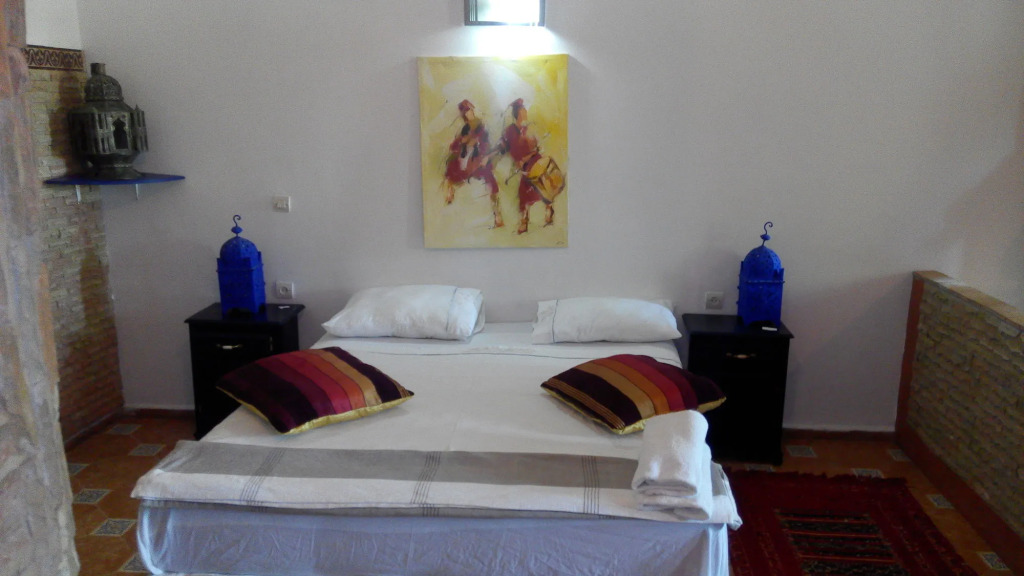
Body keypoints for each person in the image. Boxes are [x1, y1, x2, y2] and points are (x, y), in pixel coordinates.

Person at [494, 98, 564, 234]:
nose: (525, 114)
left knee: (543, 185)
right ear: (517, 114)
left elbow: (536, 148)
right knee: (525, 192)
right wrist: (497, 152)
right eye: (523, 112)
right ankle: (524, 220)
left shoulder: (529, 129)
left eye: (525, 111)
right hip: (524, 167)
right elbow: (503, 145)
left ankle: (548, 209)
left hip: (534, 161)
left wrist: (531, 153)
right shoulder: (510, 131)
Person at [442, 99, 503, 228]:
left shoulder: (481, 127)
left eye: (470, 110)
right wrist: (462, 142)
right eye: (467, 112)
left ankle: (497, 216)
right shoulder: (465, 129)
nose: (470, 113)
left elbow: (486, 144)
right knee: (452, 165)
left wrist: (484, 154)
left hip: (480, 158)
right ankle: (450, 190)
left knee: (491, 182)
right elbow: (454, 146)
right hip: (467, 159)